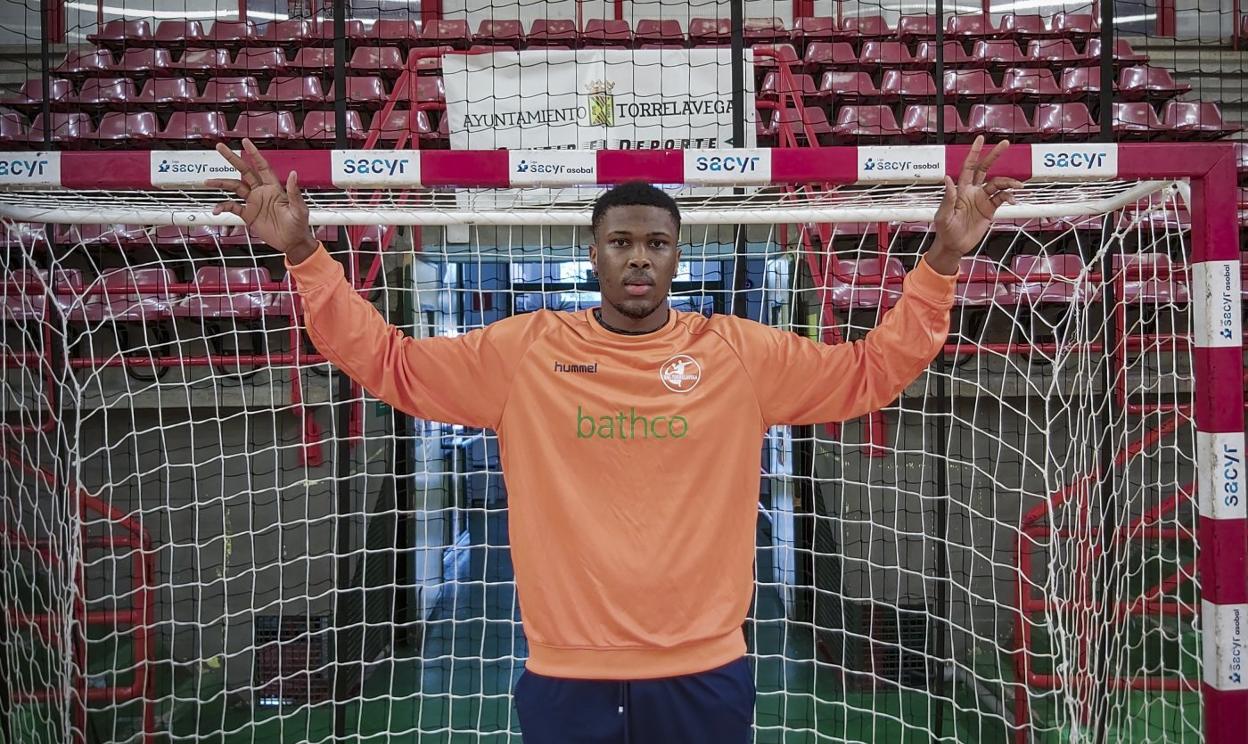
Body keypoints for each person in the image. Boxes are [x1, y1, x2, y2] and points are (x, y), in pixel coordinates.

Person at [208, 137, 1022, 744]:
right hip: (568, 676)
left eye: (656, 244)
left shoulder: (738, 353)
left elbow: (870, 373)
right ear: (592, 253)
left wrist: (945, 259)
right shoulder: (525, 351)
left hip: (705, 673)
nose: (639, 260)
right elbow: (390, 362)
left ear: (676, 256)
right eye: (621, 243)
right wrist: (305, 255)